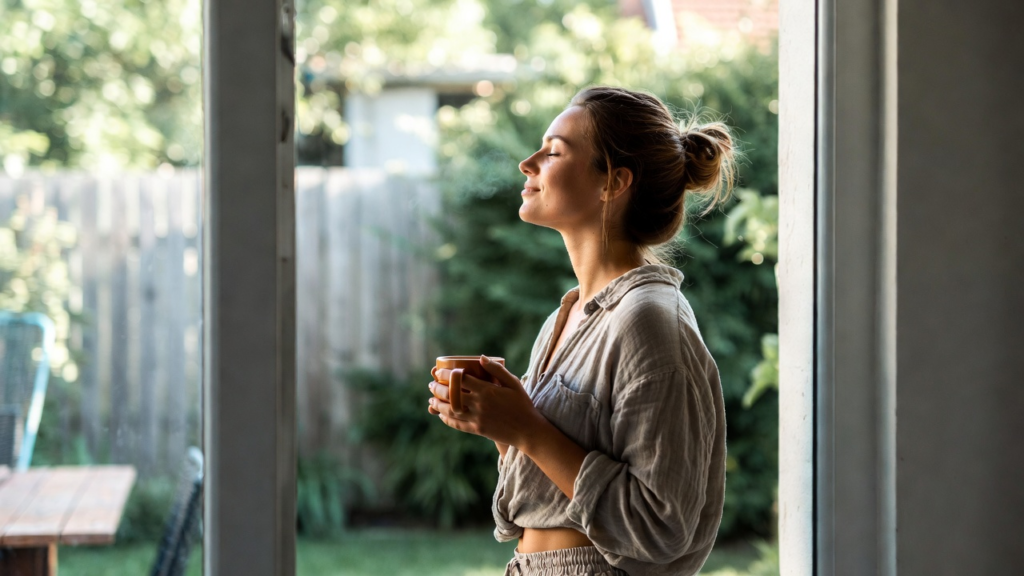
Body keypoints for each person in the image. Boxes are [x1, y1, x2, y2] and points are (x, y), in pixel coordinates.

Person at [428, 86, 732, 576]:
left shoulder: (649, 322)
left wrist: (526, 428)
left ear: (612, 182)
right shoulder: (565, 317)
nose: (528, 163)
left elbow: (661, 526)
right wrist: (502, 426)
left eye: (553, 152)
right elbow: (552, 489)